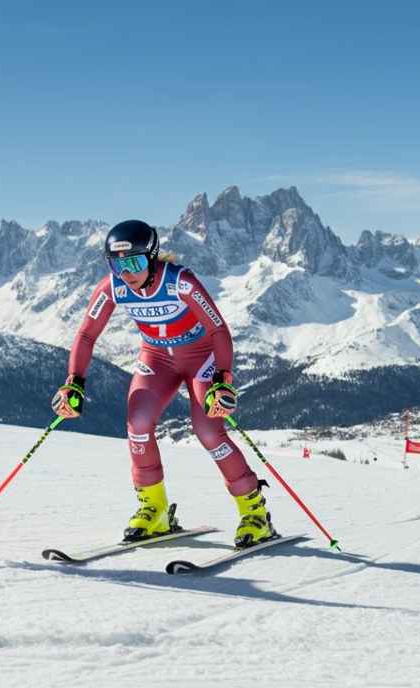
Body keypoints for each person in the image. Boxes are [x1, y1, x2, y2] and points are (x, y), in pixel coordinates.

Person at [51, 219, 276, 548]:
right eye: (117, 264)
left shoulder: (181, 282)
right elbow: (86, 334)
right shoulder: (112, 287)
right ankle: (154, 508)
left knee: (210, 431)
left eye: (135, 262)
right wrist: (74, 383)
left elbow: (218, 330)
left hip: (202, 359)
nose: (126, 272)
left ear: (152, 257)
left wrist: (223, 380)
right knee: (138, 423)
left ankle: (253, 512)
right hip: (157, 359)